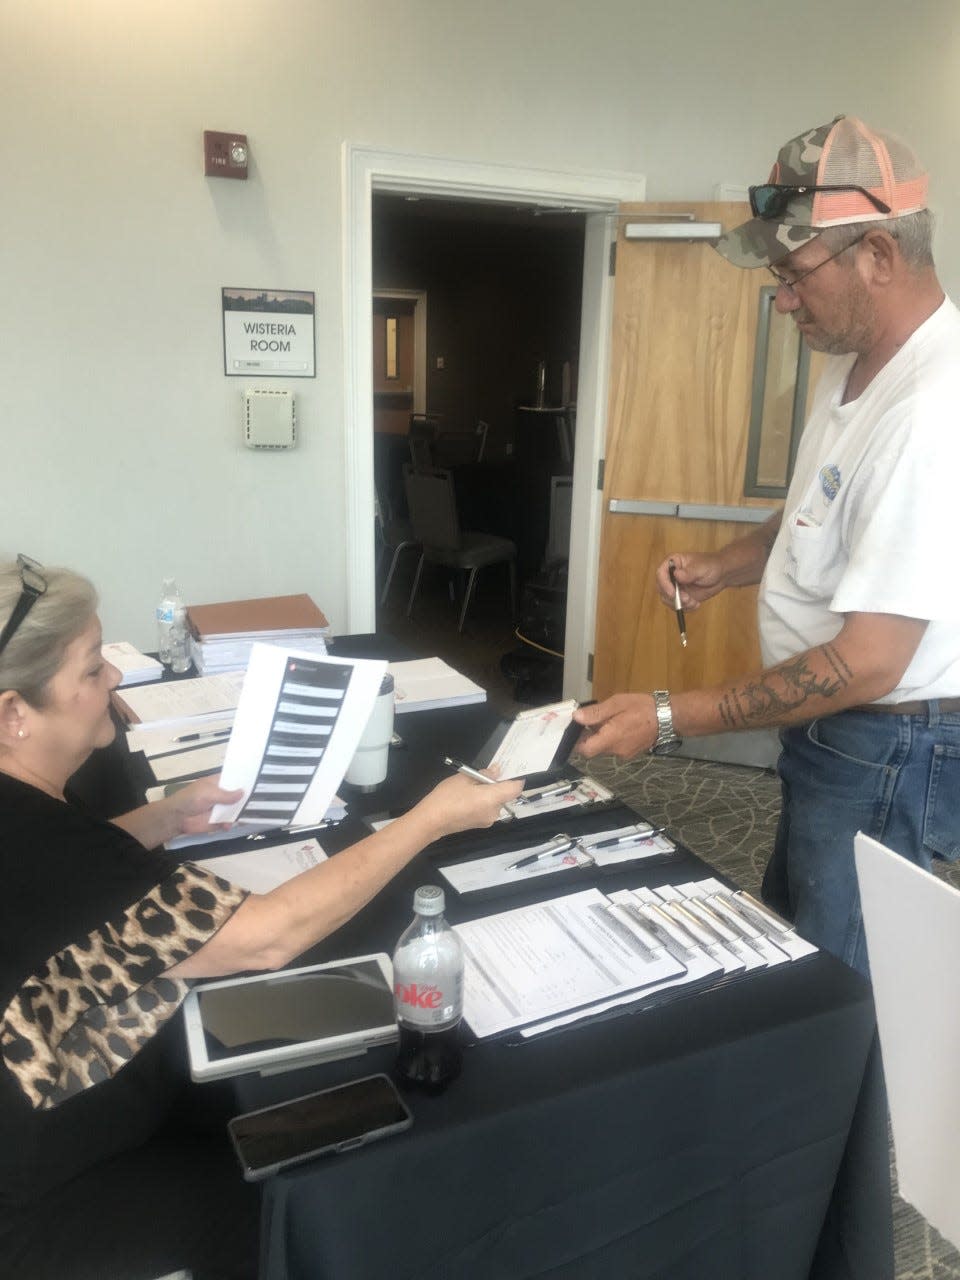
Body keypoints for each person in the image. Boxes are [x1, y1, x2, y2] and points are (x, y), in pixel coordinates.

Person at [0, 555, 522, 1280]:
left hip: (61, 1123)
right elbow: (265, 939)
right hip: (43, 1194)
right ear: (12, 714)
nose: (114, 681)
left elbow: (67, 888)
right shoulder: (37, 838)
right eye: (92, 670)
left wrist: (166, 815)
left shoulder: (29, 814)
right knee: (294, 1203)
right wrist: (429, 819)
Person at [575, 115, 960, 977]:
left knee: (846, 980)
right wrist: (726, 567)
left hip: (888, 741)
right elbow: (815, 516)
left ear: (880, 256)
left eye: (794, 273)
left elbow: (868, 662)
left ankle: (852, 1117)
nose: (782, 299)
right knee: (799, 937)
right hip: (837, 735)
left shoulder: (936, 412)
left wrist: (667, 715)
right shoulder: (852, 364)